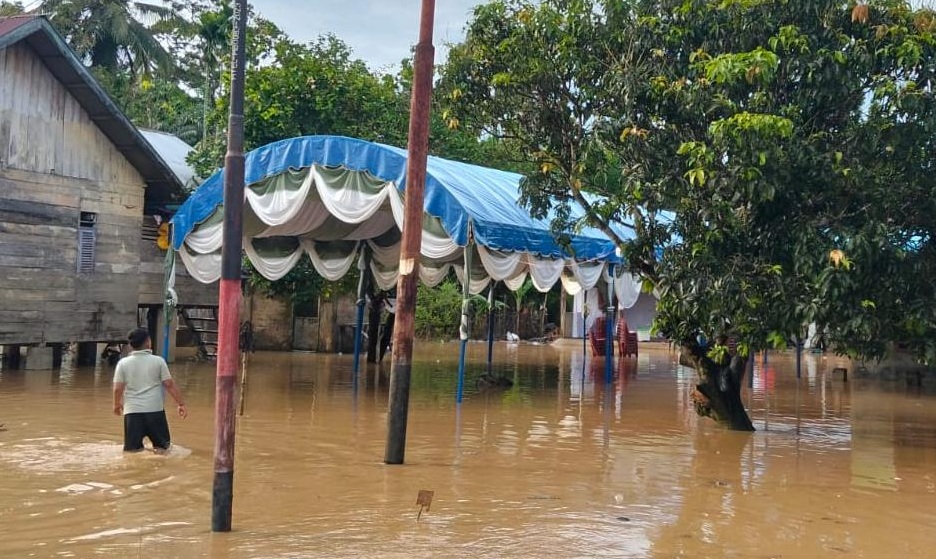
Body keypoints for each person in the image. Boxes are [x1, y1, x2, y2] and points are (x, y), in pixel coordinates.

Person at [113, 327, 187, 453]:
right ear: (148, 342)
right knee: (163, 449)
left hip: (132, 413)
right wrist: (181, 404)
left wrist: (116, 404)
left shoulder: (123, 363)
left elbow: (117, 389)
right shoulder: (158, 361)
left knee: (132, 452)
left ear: (131, 345)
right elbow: (169, 384)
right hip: (155, 411)